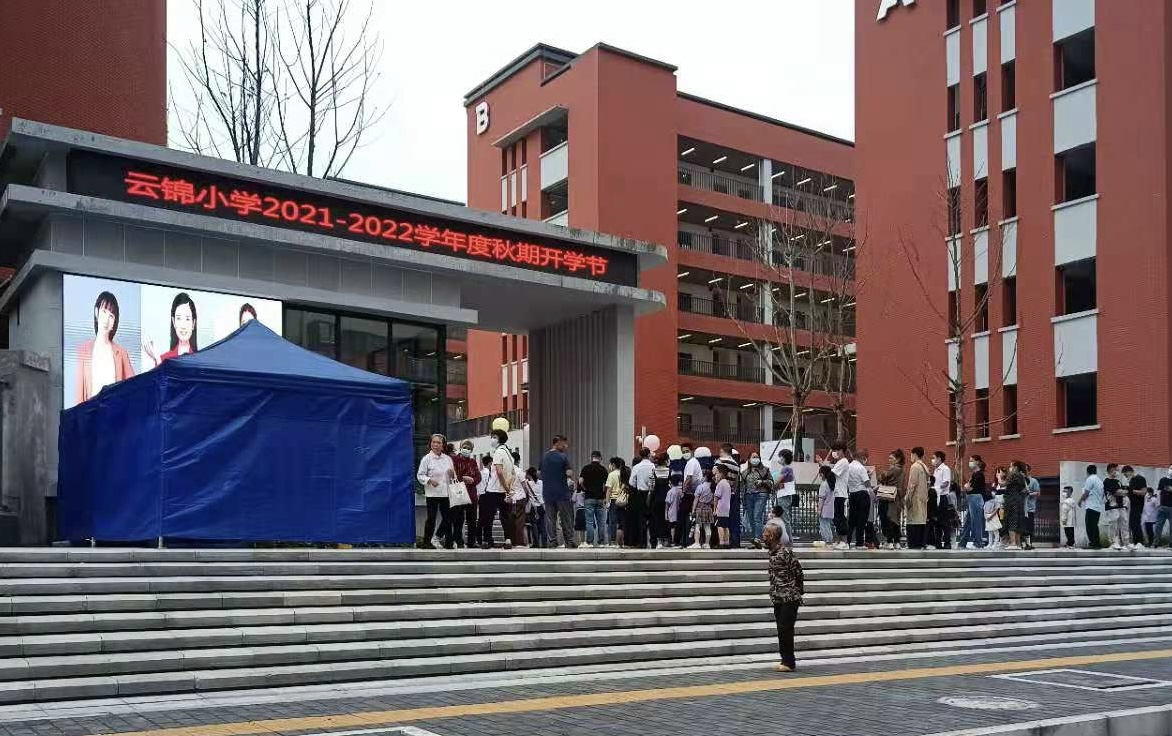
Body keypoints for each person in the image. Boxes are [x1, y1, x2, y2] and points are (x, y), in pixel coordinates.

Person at [75, 291, 136, 404]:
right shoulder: (84, 350)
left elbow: (134, 386)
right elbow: (80, 395)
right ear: (96, 312)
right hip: (91, 412)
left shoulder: (121, 353)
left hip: (114, 412)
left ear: (114, 323)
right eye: (104, 312)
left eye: (111, 316)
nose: (106, 320)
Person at [764, 520, 804, 673]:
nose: (763, 536)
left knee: (786, 629)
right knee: (782, 629)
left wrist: (797, 590)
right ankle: (785, 659)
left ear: (773, 536)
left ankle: (789, 662)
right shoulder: (773, 552)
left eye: (766, 534)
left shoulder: (785, 553)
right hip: (778, 597)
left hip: (789, 597)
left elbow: (798, 571)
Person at [416, 433, 455, 549]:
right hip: (432, 493)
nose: (436, 445)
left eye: (438, 443)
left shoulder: (448, 459)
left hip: (445, 493)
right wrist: (429, 480)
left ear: (443, 445)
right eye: (434, 442)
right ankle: (426, 542)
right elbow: (420, 475)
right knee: (431, 518)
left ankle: (449, 542)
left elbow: (453, 477)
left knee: (447, 518)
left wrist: (452, 474)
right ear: (430, 444)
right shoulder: (426, 459)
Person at [478, 429, 515, 549]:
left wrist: (505, 487)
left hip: (494, 490)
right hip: (505, 491)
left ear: (499, 439)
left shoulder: (498, 452)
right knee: (506, 516)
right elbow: (512, 473)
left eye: (494, 437)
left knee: (488, 517)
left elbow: (499, 472)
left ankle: (487, 540)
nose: (492, 439)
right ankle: (508, 540)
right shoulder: (509, 453)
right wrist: (508, 488)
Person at [540, 435, 576, 549]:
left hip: (547, 492)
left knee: (550, 518)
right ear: (557, 443)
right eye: (564, 444)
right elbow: (569, 473)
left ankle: (552, 541)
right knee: (566, 518)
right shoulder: (562, 457)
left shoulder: (544, 457)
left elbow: (539, 473)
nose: (566, 446)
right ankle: (569, 541)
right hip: (562, 492)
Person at [145, 292, 198, 366]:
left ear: (193, 323)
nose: (183, 326)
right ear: (173, 322)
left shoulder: (199, 361)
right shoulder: (163, 359)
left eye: (187, 319)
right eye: (179, 318)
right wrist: (157, 359)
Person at [453, 440, 480, 548]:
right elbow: (452, 475)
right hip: (459, 493)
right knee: (458, 520)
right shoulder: (454, 460)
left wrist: (473, 480)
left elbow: (478, 477)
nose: (466, 450)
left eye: (469, 449)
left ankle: (471, 542)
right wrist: (463, 478)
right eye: (465, 447)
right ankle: (458, 541)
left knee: (472, 520)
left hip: (472, 495)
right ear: (460, 448)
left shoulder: (473, 462)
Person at [579, 451, 609, 548]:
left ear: (591, 457)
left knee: (589, 522)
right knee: (601, 522)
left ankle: (590, 542)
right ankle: (601, 542)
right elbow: (606, 485)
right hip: (600, 498)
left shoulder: (585, 468)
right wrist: (603, 492)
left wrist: (585, 489)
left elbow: (580, 481)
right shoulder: (603, 469)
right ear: (600, 458)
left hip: (589, 497)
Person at [744, 452, 774, 547]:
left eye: (757, 457)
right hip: (749, 496)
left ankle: (758, 538)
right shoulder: (745, 472)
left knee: (757, 516)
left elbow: (771, 482)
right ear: (749, 459)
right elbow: (743, 485)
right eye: (753, 457)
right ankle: (754, 538)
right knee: (751, 517)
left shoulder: (765, 470)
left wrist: (762, 482)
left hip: (761, 495)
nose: (755, 459)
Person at [877, 450, 905, 549]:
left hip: (888, 496)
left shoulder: (894, 469)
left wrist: (881, 475)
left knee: (888, 518)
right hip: (897, 497)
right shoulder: (902, 470)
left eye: (891, 458)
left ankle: (889, 541)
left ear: (898, 459)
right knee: (896, 519)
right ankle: (896, 541)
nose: (889, 460)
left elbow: (882, 477)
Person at [904, 447, 930, 549]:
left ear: (914, 454)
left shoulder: (915, 466)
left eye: (911, 454)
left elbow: (912, 484)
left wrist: (908, 497)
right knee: (921, 520)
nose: (910, 457)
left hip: (915, 497)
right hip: (923, 497)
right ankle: (921, 543)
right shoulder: (924, 467)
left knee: (913, 519)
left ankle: (913, 543)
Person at [628, 447, 655, 547]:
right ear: (648, 455)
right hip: (651, 493)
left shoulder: (636, 467)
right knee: (652, 518)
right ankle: (653, 541)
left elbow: (631, 482)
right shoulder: (653, 466)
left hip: (640, 494)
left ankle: (642, 542)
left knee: (641, 519)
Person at [717, 445, 743, 548]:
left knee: (720, 521)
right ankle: (730, 542)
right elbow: (736, 482)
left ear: (722, 451)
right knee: (730, 519)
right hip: (731, 494)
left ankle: (721, 542)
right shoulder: (736, 465)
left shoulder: (721, 461)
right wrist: (733, 491)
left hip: (720, 494)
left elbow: (715, 473)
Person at [846, 449, 872, 550]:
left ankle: (847, 541)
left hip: (852, 494)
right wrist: (869, 476)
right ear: (862, 457)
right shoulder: (861, 468)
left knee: (852, 520)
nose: (866, 460)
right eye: (865, 458)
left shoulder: (848, 467)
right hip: (862, 495)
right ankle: (859, 543)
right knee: (862, 519)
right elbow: (867, 483)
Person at [827, 442, 851, 550]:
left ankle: (844, 541)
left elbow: (832, 474)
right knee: (837, 517)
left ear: (841, 451)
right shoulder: (838, 462)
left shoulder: (843, 461)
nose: (834, 452)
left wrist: (824, 467)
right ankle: (839, 540)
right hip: (837, 493)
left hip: (841, 494)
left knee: (840, 517)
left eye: (836, 450)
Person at [679, 444, 703, 547]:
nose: (685, 454)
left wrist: (683, 491)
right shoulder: (694, 462)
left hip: (690, 494)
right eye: (683, 452)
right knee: (691, 518)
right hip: (693, 493)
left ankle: (686, 541)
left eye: (687, 451)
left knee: (685, 517)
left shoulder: (691, 463)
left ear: (692, 451)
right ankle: (688, 540)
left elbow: (688, 478)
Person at [962, 456, 988, 549]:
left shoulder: (979, 475)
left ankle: (978, 542)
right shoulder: (974, 474)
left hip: (976, 499)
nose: (970, 462)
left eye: (972, 461)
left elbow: (972, 488)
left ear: (977, 462)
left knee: (976, 522)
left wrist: (967, 487)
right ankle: (962, 542)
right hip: (972, 498)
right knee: (967, 521)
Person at [1078, 464, 1105, 550]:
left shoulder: (1090, 479)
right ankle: (1096, 543)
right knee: (1094, 525)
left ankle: (1093, 543)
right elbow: (1102, 495)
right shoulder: (1099, 481)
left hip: (1091, 506)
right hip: (1097, 506)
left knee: (1089, 525)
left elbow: (1086, 492)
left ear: (1087, 472)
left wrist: (1080, 500)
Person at [1002, 461, 1028, 550]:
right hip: (1019, 500)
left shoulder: (1013, 474)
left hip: (1011, 500)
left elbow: (1003, 484)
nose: (1010, 468)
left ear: (1015, 467)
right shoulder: (1022, 476)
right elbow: (1025, 490)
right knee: (1018, 521)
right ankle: (1018, 543)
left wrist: (999, 477)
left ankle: (1013, 543)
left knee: (1011, 520)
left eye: (1011, 466)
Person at [1103, 463, 1129, 550]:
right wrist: (1121, 492)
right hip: (1112, 505)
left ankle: (1126, 543)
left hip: (1121, 505)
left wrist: (1122, 492)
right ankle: (1113, 542)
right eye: (1116, 470)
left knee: (1124, 522)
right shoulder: (1107, 481)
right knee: (1113, 524)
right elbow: (1116, 492)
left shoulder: (1118, 481)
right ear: (1111, 470)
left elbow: (1125, 492)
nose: (1117, 472)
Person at [929, 451, 951, 550]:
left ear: (939, 458)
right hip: (935, 497)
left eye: (933, 458)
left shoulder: (945, 469)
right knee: (936, 522)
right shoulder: (936, 470)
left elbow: (946, 483)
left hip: (942, 497)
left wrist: (937, 488)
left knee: (944, 521)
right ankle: (938, 543)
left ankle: (947, 543)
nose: (932, 460)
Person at [650, 453, 672, 548]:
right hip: (667, 498)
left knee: (658, 520)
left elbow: (651, 486)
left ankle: (659, 541)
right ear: (666, 460)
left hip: (656, 498)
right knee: (667, 519)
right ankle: (667, 540)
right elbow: (671, 485)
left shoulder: (654, 471)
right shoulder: (669, 471)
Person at [1124, 465, 1149, 549]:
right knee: (1132, 523)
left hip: (1138, 504)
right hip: (1131, 504)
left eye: (1126, 474)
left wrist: (1132, 491)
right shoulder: (1131, 480)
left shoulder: (1140, 479)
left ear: (1129, 471)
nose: (1126, 476)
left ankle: (1140, 542)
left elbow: (1144, 492)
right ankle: (1136, 542)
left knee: (1136, 522)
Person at [522, 467, 548, 548]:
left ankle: (536, 543)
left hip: (533, 507)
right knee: (543, 525)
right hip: (542, 506)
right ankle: (544, 543)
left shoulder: (527, 483)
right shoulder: (541, 482)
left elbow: (524, 491)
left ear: (529, 475)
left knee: (534, 526)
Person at [690, 470, 716, 549]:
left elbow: (696, 500)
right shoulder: (713, 487)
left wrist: (693, 510)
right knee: (707, 527)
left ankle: (697, 543)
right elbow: (713, 500)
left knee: (697, 525)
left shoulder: (700, 487)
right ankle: (707, 543)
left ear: (705, 477)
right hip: (708, 508)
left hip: (700, 508)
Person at [773, 449, 798, 530]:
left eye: (780, 456)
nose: (779, 458)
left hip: (783, 495)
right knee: (783, 518)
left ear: (783, 458)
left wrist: (772, 485)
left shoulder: (785, 468)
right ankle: (784, 536)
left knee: (784, 519)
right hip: (786, 495)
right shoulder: (789, 468)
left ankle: (788, 537)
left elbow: (777, 481)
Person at [606, 457, 625, 547]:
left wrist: (607, 502)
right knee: (622, 521)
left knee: (613, 521)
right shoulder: (624, 473)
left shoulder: (611, 475)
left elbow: (609, 489)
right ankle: (622, 541)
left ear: (613, 465)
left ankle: (613, 541)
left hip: (614, 500)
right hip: (623, 500)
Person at [714, 464, 733, 548]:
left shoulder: (720, 484)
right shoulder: (727, 484)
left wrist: (714, 509)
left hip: (720, 508)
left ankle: (721, 542)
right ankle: (727, 542)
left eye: (717, 473)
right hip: (727, 508)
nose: (716, 475)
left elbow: (716, 497)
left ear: (721, 473)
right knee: (726, 526)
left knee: (720, 526)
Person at [816, 465, 837, 546]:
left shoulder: (824, 484)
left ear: (823, 474)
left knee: (823, 526)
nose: (820, 475)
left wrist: (819, 510)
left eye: (820, 473)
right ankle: (830, 541)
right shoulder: (832, 484)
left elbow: (821, 499)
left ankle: (826, 541)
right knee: (828, 526)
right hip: (830, 509)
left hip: (824, 508)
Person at [1022, 465, 1041, 551]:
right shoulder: (1020, 481)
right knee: (1022, 526)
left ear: (1029, 471)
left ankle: (1029, 543)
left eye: (1025, 470)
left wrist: (1029, 494)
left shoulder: (1034, 481)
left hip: (1030, 507)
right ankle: (1021, 543)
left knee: (1029, 526)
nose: (1024, 471)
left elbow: (1038, 493)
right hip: (1021, 507)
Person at [1156, 466, 1172, 548]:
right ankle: (1156, 542)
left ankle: (1171, 543)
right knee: (1158, 525)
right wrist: (1158, 504)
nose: (1171, 470)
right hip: (1162, 507)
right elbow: (1159, 492)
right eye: (1170, 468)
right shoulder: (1163, 480)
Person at [666, 477, 683, 548]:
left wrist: (665, 514)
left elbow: (667, 503)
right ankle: (678, 541)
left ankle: (672, 541)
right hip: (678, 511)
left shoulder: (670, 492)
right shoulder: (680, 491)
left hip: (671, 512)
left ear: (671, 482)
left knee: (672, 527)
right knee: (678, 527)